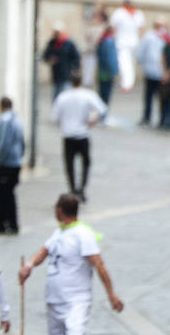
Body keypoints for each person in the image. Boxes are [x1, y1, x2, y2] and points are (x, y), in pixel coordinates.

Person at [18, 193, 124, 335]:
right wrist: (29, 266)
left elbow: (98, 264)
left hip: (76, 300)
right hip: (54, 300)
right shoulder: (59, 232)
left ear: (59, 210)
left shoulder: (83, 234)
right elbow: (43, 251)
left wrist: (111, 294)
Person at [52, 71, 106, 201]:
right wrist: (93, 121)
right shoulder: (88, 95)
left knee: (69, 164)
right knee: (85, 163)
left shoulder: (63, 96)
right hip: (82, 134)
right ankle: (81, 188)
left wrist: (63, 125)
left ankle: (72, 188)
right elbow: (102, 109)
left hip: (68, 135)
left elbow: (55, 118)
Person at [0, 97, 25, 235]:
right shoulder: (18, 119)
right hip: (16, 162)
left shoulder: (5, 120)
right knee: (10, 194)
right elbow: (23, 142)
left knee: (1, 195)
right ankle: (12, 224)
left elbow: (4, 143)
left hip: (7, 163)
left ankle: (2, 224)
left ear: (1, 106)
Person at [109, 0, 146, 92]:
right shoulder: (137, 13)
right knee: (129, 63)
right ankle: (128, 82)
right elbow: (141, 29)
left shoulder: (120, 13)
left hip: (123, 42)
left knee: (125, 63)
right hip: (133, 42)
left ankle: (127, 84)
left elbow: (113, 27)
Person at [138, 20, 169, 126]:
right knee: (151, 96)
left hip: (158, 72)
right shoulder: (150, 36)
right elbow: (142, 52)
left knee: (156, 96)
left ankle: (154, 118)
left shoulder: (165, 37)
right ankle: (149, 117)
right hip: (153, 71)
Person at [43, 22, 82, 99]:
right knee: (57, 96)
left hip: (67, 74)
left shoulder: (69, 43)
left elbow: (76, 57)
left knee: (66, 95)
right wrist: (50, 59)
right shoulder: (52, 43)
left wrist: (75, 70)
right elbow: (45, 55)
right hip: (56, 74)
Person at [95, 26, 119, 113]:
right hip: (107, 72)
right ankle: (103, 115)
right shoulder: (109, 41)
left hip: (102, 71)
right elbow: (110, 58)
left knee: (102, 94)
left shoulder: (102, 40)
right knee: (106, 95)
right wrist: (114, 72)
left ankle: (100, 114)